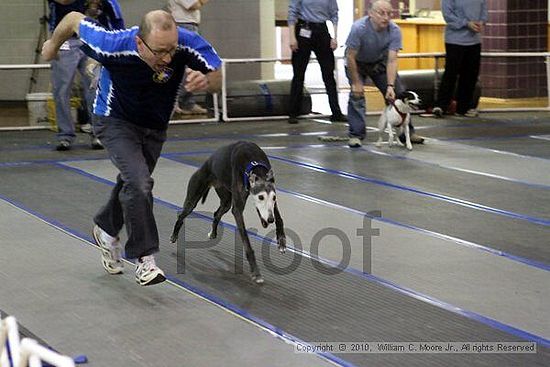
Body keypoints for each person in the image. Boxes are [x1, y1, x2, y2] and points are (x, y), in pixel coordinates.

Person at [42, 10, 222, 286]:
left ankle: (105, 228)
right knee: (139, 183)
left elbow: (217, 75)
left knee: (133, 183)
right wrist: (52, 45)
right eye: (160, 51)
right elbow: (73, 19)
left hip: (155, 125)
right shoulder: (113, 44)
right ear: (140, 43)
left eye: (172, 50)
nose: (167, 59)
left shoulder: (186, 43)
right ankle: (145, 260)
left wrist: (207, 81)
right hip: (114, 120)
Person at [344, 0, 423, 148]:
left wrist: (390, 86)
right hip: (357, 63)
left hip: (379, 63)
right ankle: (356, 135)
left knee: (399, 93)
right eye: (381, 13)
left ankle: (407, 132)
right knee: (357, 95)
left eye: (389, 14)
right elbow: (350, 56)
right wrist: (356, 82)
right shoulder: (358, 28)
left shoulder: (394, 30)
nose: (386, 18)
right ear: (371, 14)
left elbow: (392, 60)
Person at [47, 0, 124, 151]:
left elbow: (115, 17)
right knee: (62, 89)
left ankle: (98, 133)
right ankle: (65, 135)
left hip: (92, 40)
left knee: (95, 88)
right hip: (65, 40)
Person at [287, 0, 346, 124]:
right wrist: (292, 37)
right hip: (304, 29)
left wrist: (334, 37)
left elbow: (334, 14)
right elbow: (292, 12)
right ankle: (293, 113)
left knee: (328, 74)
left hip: (321, 30)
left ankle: (336, 112)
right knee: (298, 74)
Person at [432, 0, 487, 118]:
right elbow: (448, 16)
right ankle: (441, 105)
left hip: (474, 41)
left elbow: (484, 12)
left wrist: (482, 22)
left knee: (471, 75)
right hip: (455, 41)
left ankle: (463, 107)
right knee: (450, 74)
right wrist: (466, 23)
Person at [168, 0, 209, 115]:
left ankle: (187, 103)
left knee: (191, 65)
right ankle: (175, 102)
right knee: (184, 66)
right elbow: (193, 5)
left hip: (190, 25)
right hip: (184, 25)